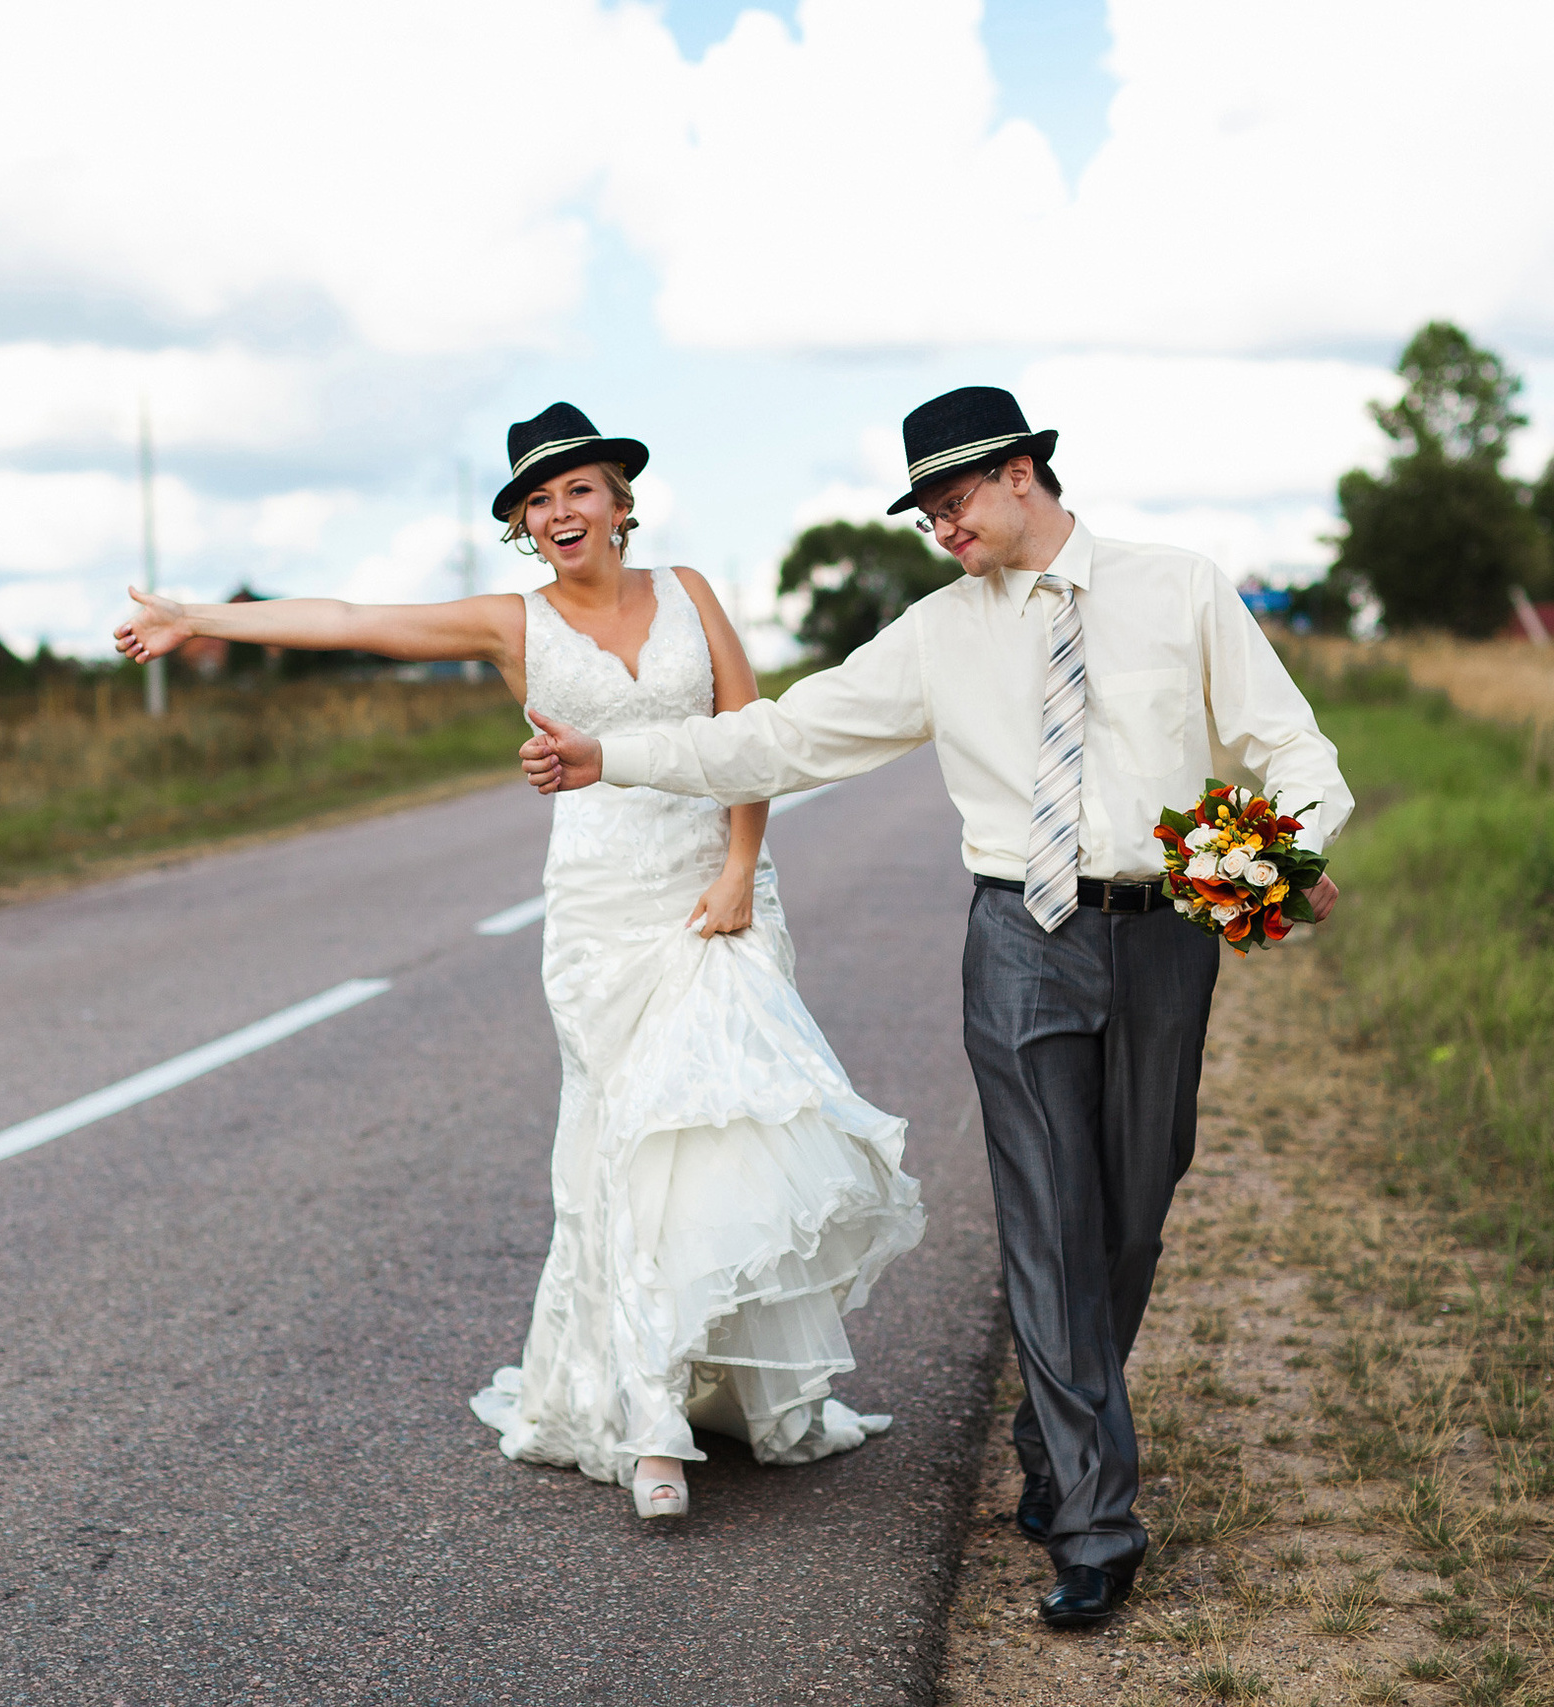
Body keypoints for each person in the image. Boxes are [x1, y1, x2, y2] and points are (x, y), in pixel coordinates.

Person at [520, 386, 1351, 1622]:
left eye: (953, 502)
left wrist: (1286, 853)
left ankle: (1055, 1439)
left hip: (1168, 931)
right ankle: (1095, 1525)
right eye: (924, 514)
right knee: (1049, 1219)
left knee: (1132, 1211)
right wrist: (616, 756)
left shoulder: (1178, 588)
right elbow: (779, 739)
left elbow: (1292, 748)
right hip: (1019, 938)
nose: (942, 529)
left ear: (1022, 473)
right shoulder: (933, 634)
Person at [113, 402, 924, 1520]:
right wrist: (195, 615)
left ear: (620, 501)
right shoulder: (512, 623)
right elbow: (352, 620)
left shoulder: (691, 592)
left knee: (723, 1141)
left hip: (717, 893)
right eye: (537, 501)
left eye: (578, 488)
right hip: (602, 912)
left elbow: (750, 736)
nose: (559, 512)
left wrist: (741, 868)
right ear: (522, 526)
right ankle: (649, 1424)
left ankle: (733, 1383)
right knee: (625, 1152)